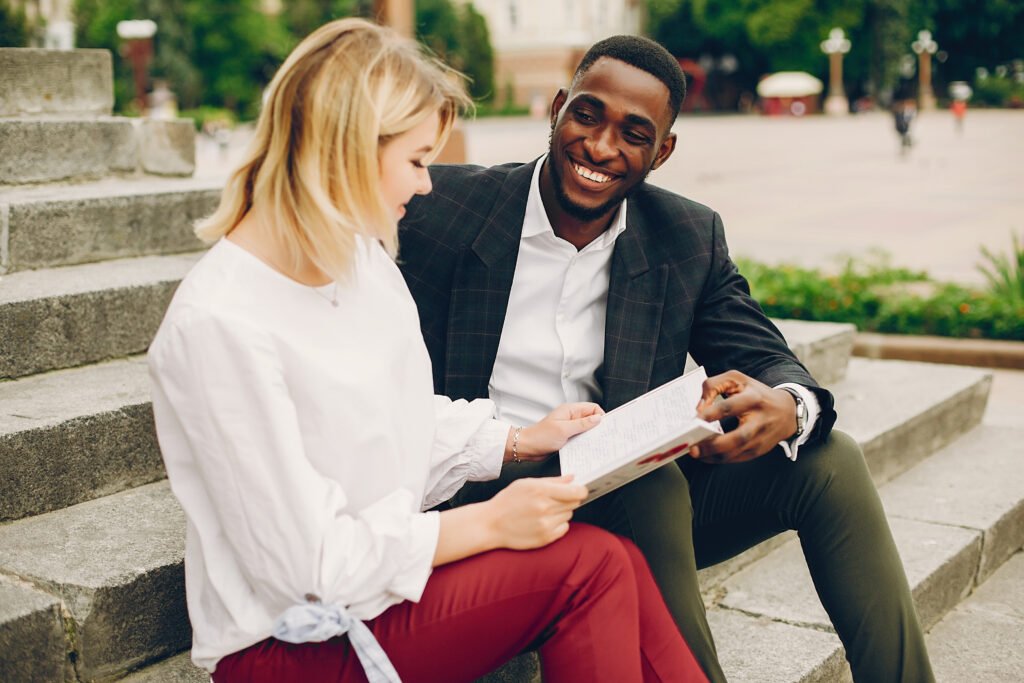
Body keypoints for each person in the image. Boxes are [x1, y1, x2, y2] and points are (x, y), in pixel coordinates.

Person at [148, 19, 707, 683]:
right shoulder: (218, 324)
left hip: (379, 592)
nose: (426, 186)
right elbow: (312, 568)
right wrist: (491, 522)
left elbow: (404, 420)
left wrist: (523, 438)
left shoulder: (359, 260)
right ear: (349, 149)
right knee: (592, 565)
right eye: (415, 159)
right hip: (288, 642)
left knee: (620, 559)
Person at [398, 35, 935, 682]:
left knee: (828, 458)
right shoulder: (439, 208)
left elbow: (765, 355)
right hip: (484, 494)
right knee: (651, 481)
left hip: (622, 496)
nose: (600, 147)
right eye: (588, 115)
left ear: (663, 151)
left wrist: (786, 406)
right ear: (559, 108)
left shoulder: (687, 237)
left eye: (633, 133)